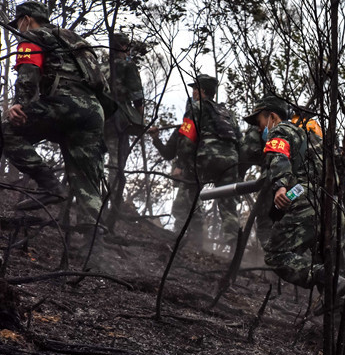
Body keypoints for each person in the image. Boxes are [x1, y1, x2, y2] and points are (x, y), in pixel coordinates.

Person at [2, 1, 108, 255]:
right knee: (86, 178)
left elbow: (29, 73)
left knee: (7, 129)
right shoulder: (73, 39)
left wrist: (20, 105)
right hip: (94, 112)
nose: (17, 27)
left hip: (65, 105)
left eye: (17, 22)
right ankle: (94, 249)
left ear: (26, 19)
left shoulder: (32, 35)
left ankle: (50, 185)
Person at [243, 95, 327, 289]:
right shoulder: (311, 136)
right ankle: (338, 304)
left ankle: (324, 279)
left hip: (304, 199)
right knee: (331, 265)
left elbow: (279, 157)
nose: (259, 128)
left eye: (260, 121)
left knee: (275, 254)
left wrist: (281, 186)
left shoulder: (280, 130)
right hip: (329, 203)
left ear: (272, 116)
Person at [149, 74, 241, 247]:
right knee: (227, 204)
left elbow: (186, 141)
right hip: (231, 160)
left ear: (201, 91)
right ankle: (235, 249)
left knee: (190, 198)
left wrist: (182, 166)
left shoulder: (195, 109)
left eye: (194, 89)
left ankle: (195, 241)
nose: (193, 92)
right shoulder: (228, 114)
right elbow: (239, 139)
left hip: (206, 158)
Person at [103, 32, 145, 229]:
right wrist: (140, 119)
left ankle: (93, 199)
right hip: (118, 121)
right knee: (116, 164)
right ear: (123, 47)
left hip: (98, 118)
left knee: (95, 159)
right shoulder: (127, 65)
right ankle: (113, 207)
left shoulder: (101, 66)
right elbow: (137, 95)